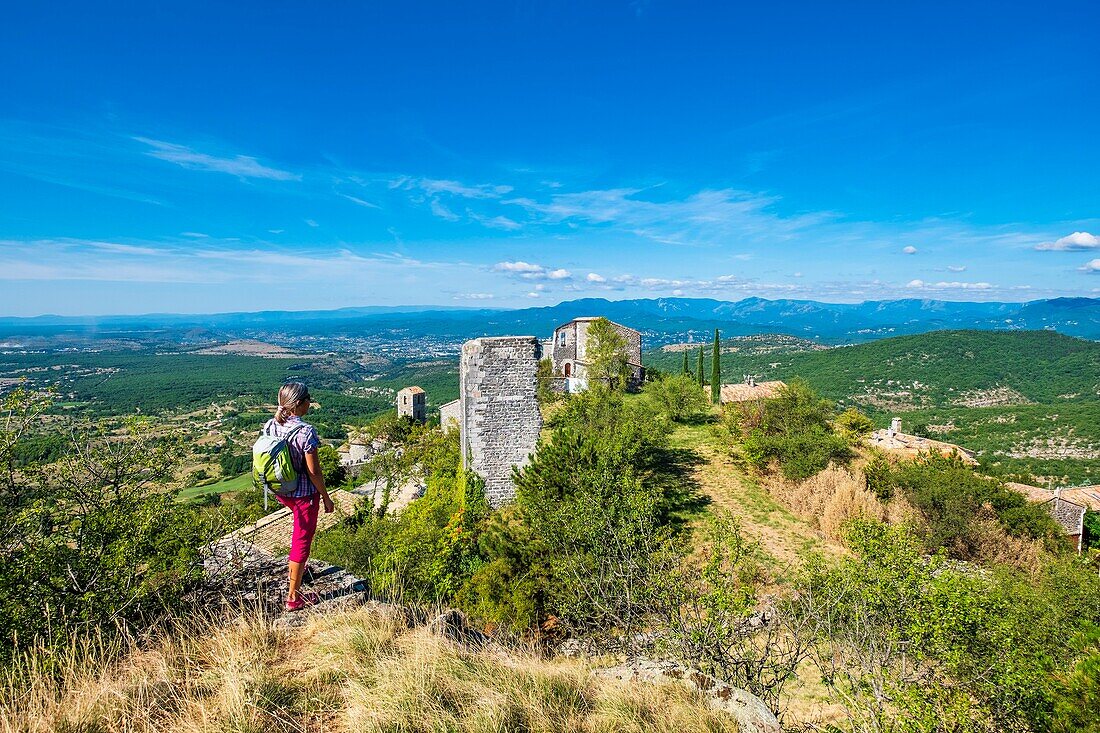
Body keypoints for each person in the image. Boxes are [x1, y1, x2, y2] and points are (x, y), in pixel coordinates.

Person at [264, 382, 335, 611]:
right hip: (304, 494)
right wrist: (325, 496)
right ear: (299, 404)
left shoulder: (271, 425)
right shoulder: (306, 432)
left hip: (282, 491)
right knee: (301, 541)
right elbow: (314, 472)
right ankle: (293, 597)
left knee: (299, 536)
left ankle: (297, 572)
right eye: (308, 399)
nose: (310, 402)